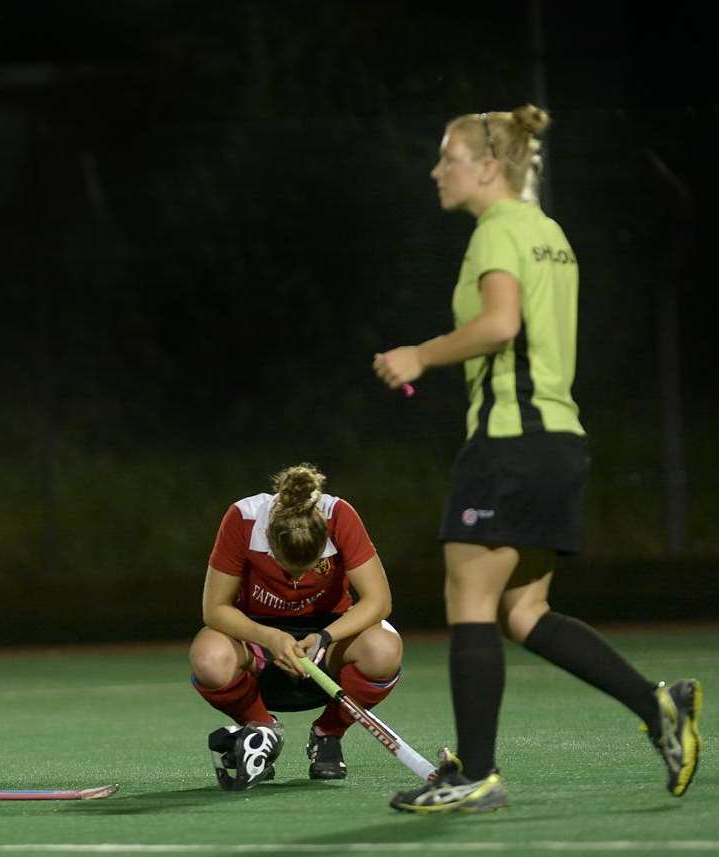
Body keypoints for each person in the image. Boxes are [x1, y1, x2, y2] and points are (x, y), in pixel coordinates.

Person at [374, 105, 701, 813]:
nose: (437, 170)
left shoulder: (496, 230)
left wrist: (417, 355)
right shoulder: (549, 232)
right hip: (557, 438)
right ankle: (656, 705)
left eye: (448, 157)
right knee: (523, 609)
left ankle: (477, 774)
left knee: (468, 596)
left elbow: (499, 324)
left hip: (510, 442)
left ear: (488, 167)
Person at [190, 464, 402, 789]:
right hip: (258, 639)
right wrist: (269, 637)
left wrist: (325, 636)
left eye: (309, 565)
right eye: (289, 568)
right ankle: (262, 731)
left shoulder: (339, 515)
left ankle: (328, 734)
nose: (299, 579)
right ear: (271, 540)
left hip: (328, 639)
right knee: (208, 656)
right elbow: (215, 609)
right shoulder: (244, 518)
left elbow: (378, 601)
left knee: (385, 648)